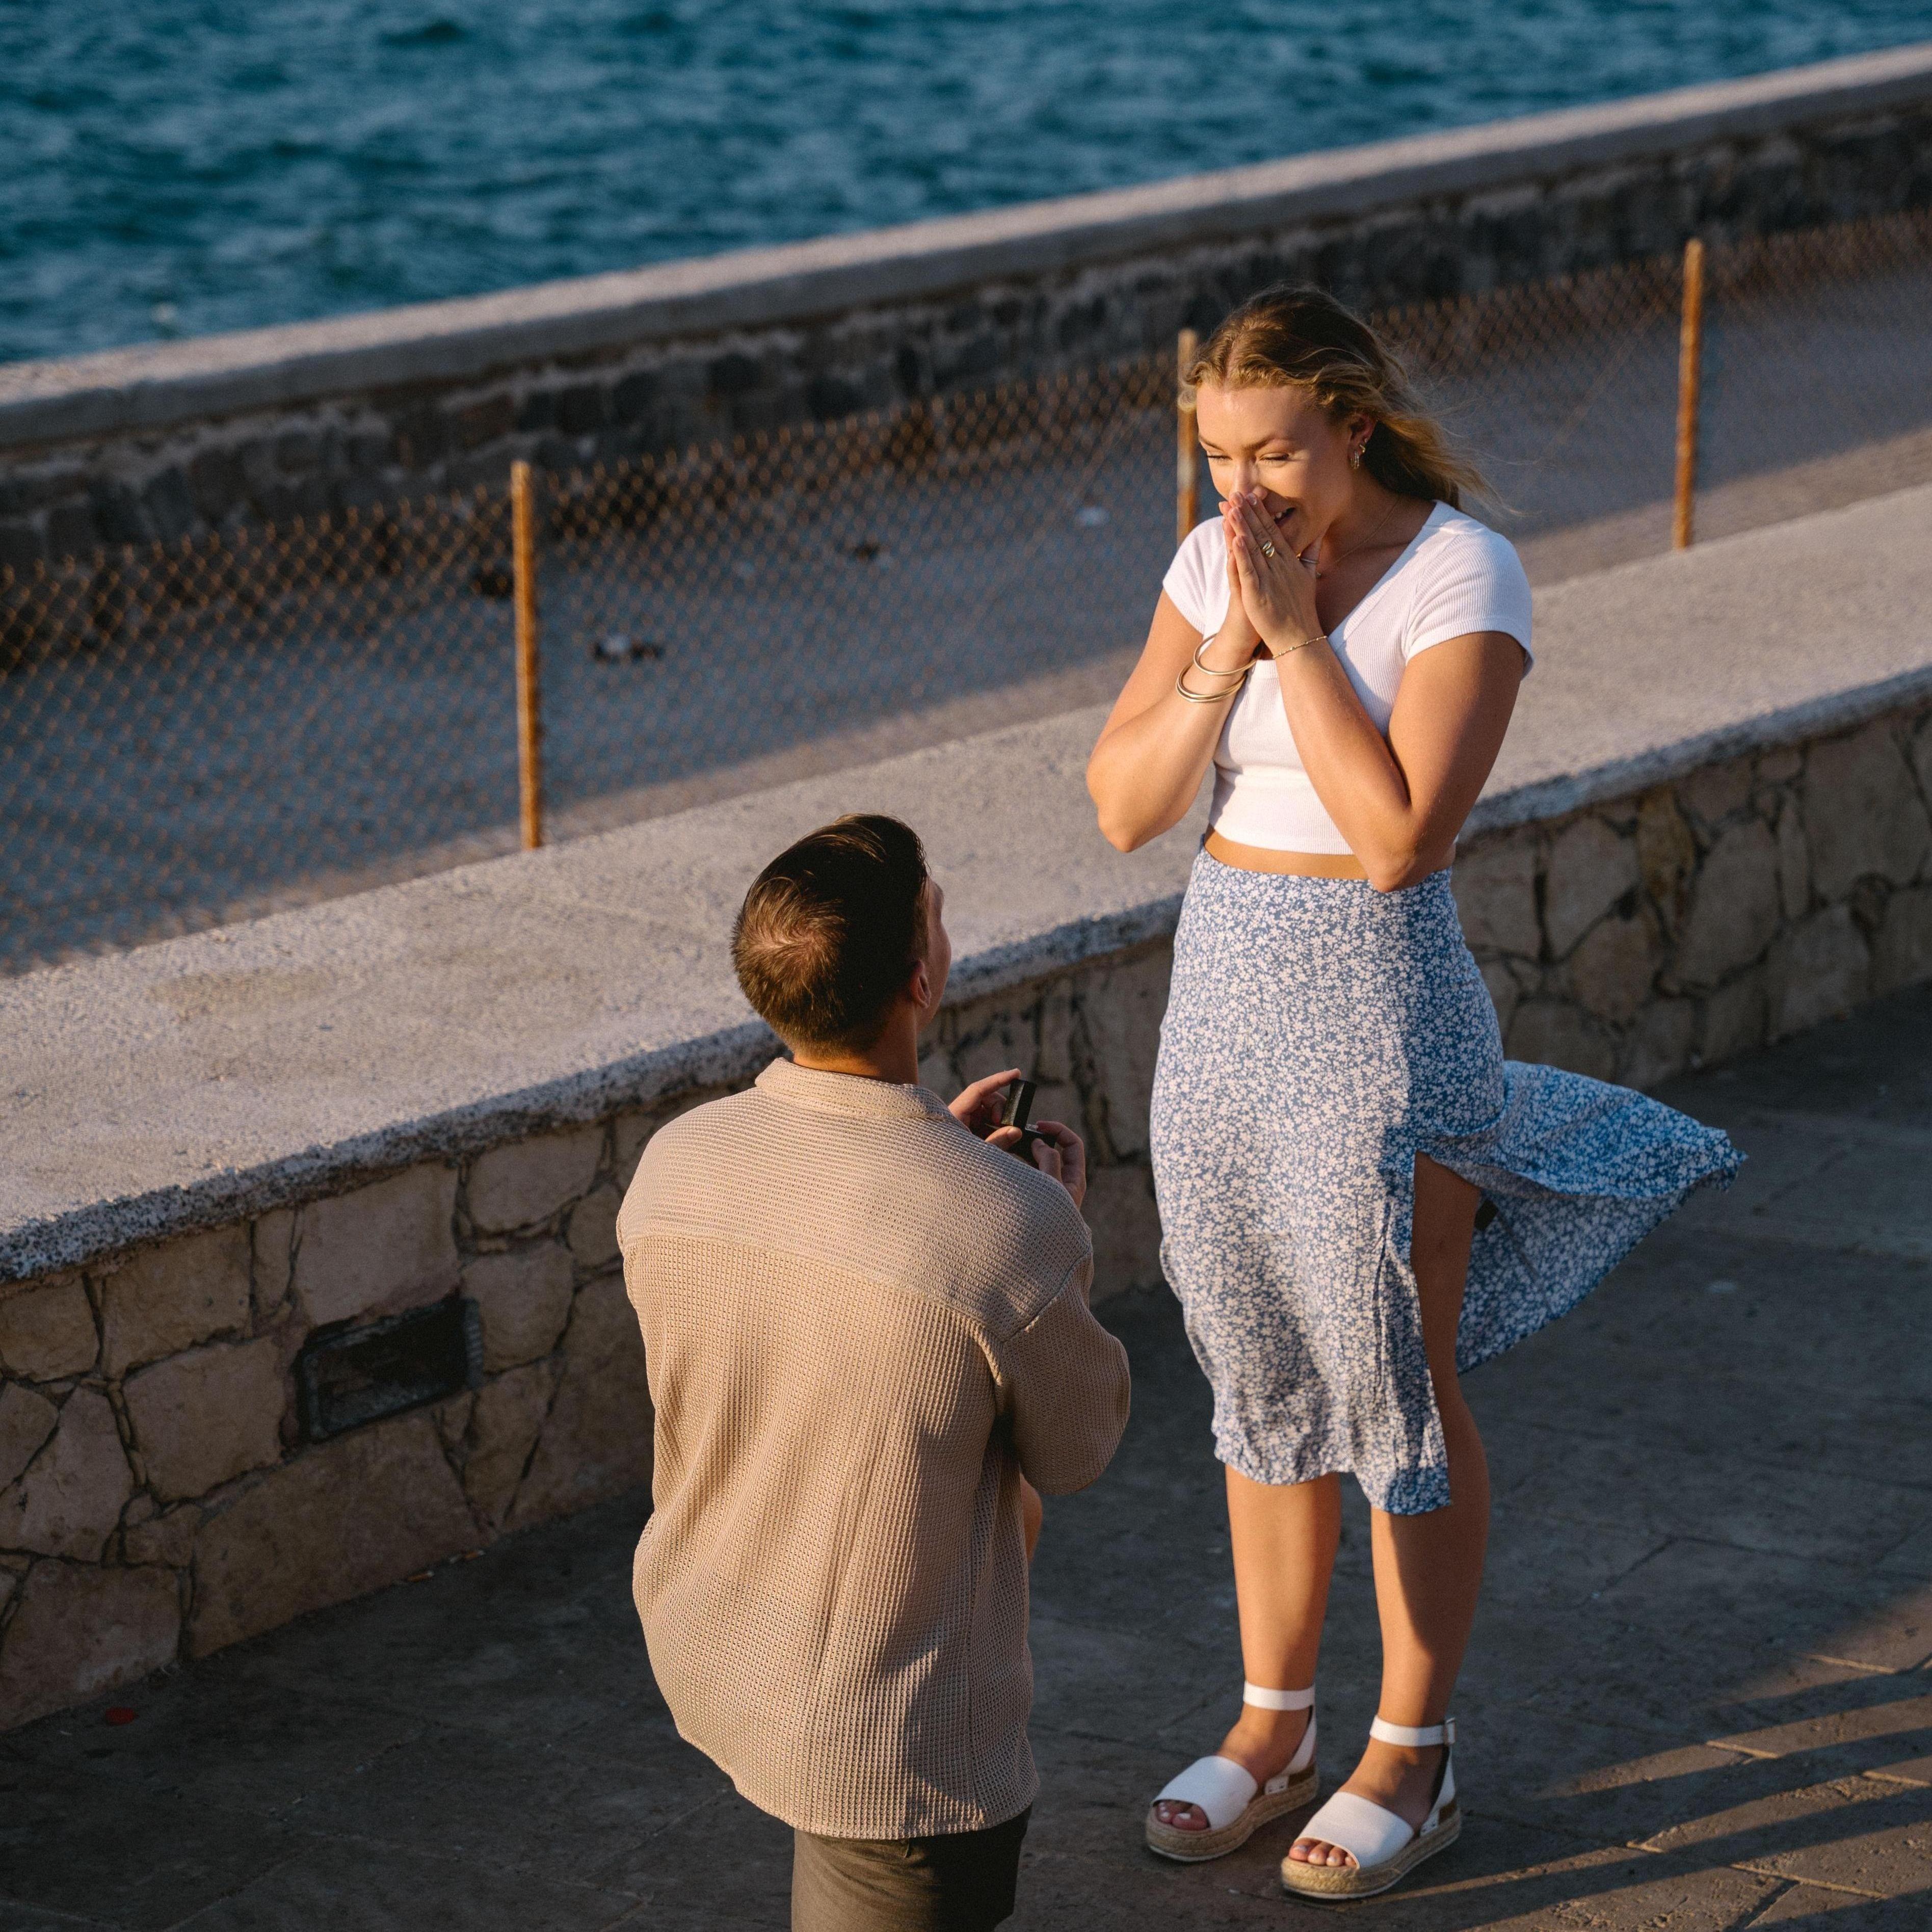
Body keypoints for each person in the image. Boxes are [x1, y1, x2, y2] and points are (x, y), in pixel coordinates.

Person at [1086, 287, 1739, 1901]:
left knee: (1395, 1383)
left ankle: (1414, 1749)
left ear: (1353, 428)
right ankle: (1270, 1725)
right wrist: (1228, 638)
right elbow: (1122, 807)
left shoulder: (1464, 576)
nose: (1245, 491)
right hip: (1224, 990)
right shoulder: (1210, 563)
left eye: (1278, 451)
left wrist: (1298, 639)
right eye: (1219, 454)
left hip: (1381, 1011)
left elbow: (1398, 841)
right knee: (1252, 1370)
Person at [617, 812, 1130, 1932]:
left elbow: (823, 1286)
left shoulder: (676, 1163)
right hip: (893, 1733)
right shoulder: (1010, 1226)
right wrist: (1039, 1232)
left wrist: (943, 1174)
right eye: (939, 917)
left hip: (720, 1638)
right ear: (920, 978)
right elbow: (1080, 1449)